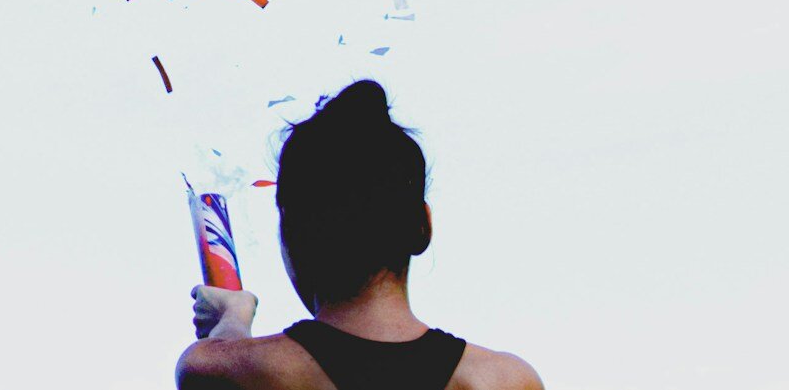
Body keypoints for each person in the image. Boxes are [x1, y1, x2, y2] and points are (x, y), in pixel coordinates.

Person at [175, 80, 542, 390]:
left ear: (291, 237)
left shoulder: (225, 369)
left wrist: (232, 317)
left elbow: (222, 363)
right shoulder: (506, 380)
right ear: (422, 227)